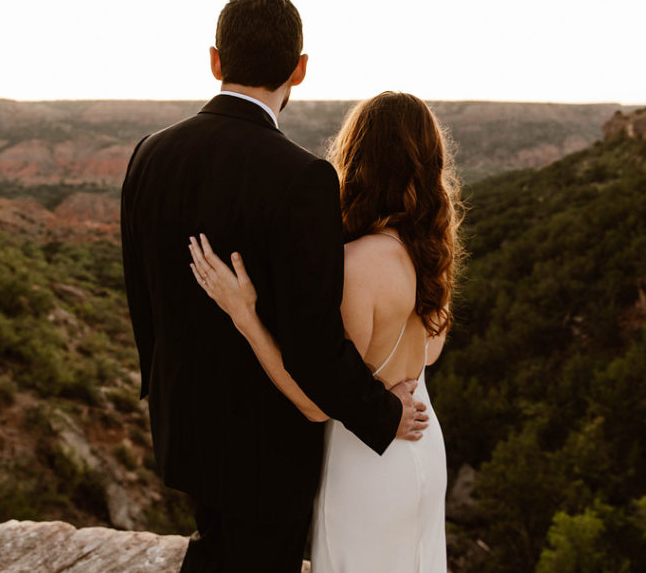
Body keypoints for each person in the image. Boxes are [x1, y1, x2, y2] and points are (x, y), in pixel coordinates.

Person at [120, 0, 429, 572]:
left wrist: (162, 386)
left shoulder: (149, 154)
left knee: (218, 550)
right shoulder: (304, 179)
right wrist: (382, 413)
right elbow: (315, 346)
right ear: (300, 69)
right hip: (265, 445)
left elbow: (142, 294)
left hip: (182, 420)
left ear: (215, 60)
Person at [189, 90, 462, 572]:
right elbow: (431, 353)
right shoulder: (430, 249)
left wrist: (245, 315)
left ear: (356, 160)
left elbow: (317, 404)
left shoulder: (357, 265)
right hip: (422, 442)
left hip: (368, 457)